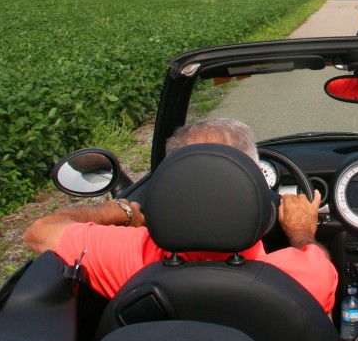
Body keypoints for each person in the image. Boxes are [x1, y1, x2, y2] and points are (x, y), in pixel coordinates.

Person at [24, 118, 338, 313]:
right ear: (255, 180)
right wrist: (301, 232)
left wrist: (121, 210)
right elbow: (319, 260)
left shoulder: (130, 256)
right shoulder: (303, 274)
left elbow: (39, 233)